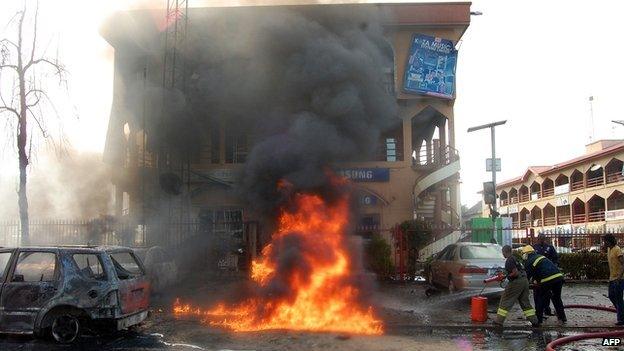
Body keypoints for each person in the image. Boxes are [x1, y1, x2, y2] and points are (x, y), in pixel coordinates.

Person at [494, 245, 539, 327]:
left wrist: (507, 277)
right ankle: (535, 321)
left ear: (504, 252)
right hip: (524, 281)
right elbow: (518, 270)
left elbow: (515, 273)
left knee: (505, 299)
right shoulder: (515, 258)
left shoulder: (509, 260)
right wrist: (505, 275)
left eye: (502, 252)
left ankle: (498, 321)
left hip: (516, 282)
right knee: (525, 302)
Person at [522, 245, 567, 325]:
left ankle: (538, 320)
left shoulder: (529, 261)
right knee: (557, 299)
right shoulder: (540, 257)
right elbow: (540, 270)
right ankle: (562, 318)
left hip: (547, 280)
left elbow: (527, 276)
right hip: (558, 278)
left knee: (541, 299)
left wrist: (525, 285)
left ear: (526, 254)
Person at [533, 234, 559, 316]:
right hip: (537, 274)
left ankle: (546, 309)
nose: (541, 240)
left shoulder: (550, 248)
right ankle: (538, 310)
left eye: (543, 239)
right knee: (537, 293)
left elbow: (555, 258)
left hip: (547, 274)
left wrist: (553, 266)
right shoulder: (534, 248)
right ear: (537, 239)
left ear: (545, 239)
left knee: (547, 293)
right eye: (540, 239)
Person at [604, 234, 624, 325]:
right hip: (612, 278)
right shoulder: (609, 249)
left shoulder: (617, 250)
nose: (604, 243)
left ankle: (621, 319)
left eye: (605, 241)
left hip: (619, 279)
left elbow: (623, 264)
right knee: (611, 296)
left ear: (610, 241)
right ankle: (622, 313)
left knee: (618, 298)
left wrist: (619, 277)